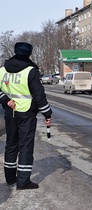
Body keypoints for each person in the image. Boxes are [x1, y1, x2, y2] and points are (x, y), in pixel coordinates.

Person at [0, 42, 52, 190]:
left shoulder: (2, 71)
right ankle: (23, 181)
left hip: (10, 113)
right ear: (29, 54)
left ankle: (10, 178)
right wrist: (47, 113)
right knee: (25, 147)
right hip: (27, 113)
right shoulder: (31, 71)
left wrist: (5, 99)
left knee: (11, 145)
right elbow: (39, 96)